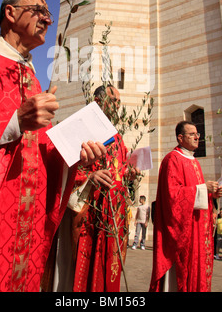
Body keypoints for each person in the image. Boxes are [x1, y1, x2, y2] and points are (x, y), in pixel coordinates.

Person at [0, 0, 106, 292]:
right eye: (40, 11)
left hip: (28, 219)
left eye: (50, 15)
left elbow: (41, 149)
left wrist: (74, 154)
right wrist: (13, 122)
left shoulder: (34, 80)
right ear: (10, 13)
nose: (48, 21)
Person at [49, 85, 136, 292]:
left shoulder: (117, 137)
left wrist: (129, 174)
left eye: (118, 102)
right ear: (98, 101)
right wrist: (90, 176)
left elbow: (119, 172)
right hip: (87, 214)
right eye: (114, 101)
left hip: (112, 216)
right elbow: (63, 166)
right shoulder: (81, 127)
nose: (117, 106)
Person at [150, 121, 222, 292]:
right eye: (192, 134)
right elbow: (172, 196)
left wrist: (211, 194)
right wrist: (204, 189)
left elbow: (194, 191)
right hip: (182, 232)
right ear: (180, 138)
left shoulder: (194, 162)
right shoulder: (172, 159)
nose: (197, 137)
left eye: (197, 134)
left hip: (196, 229)